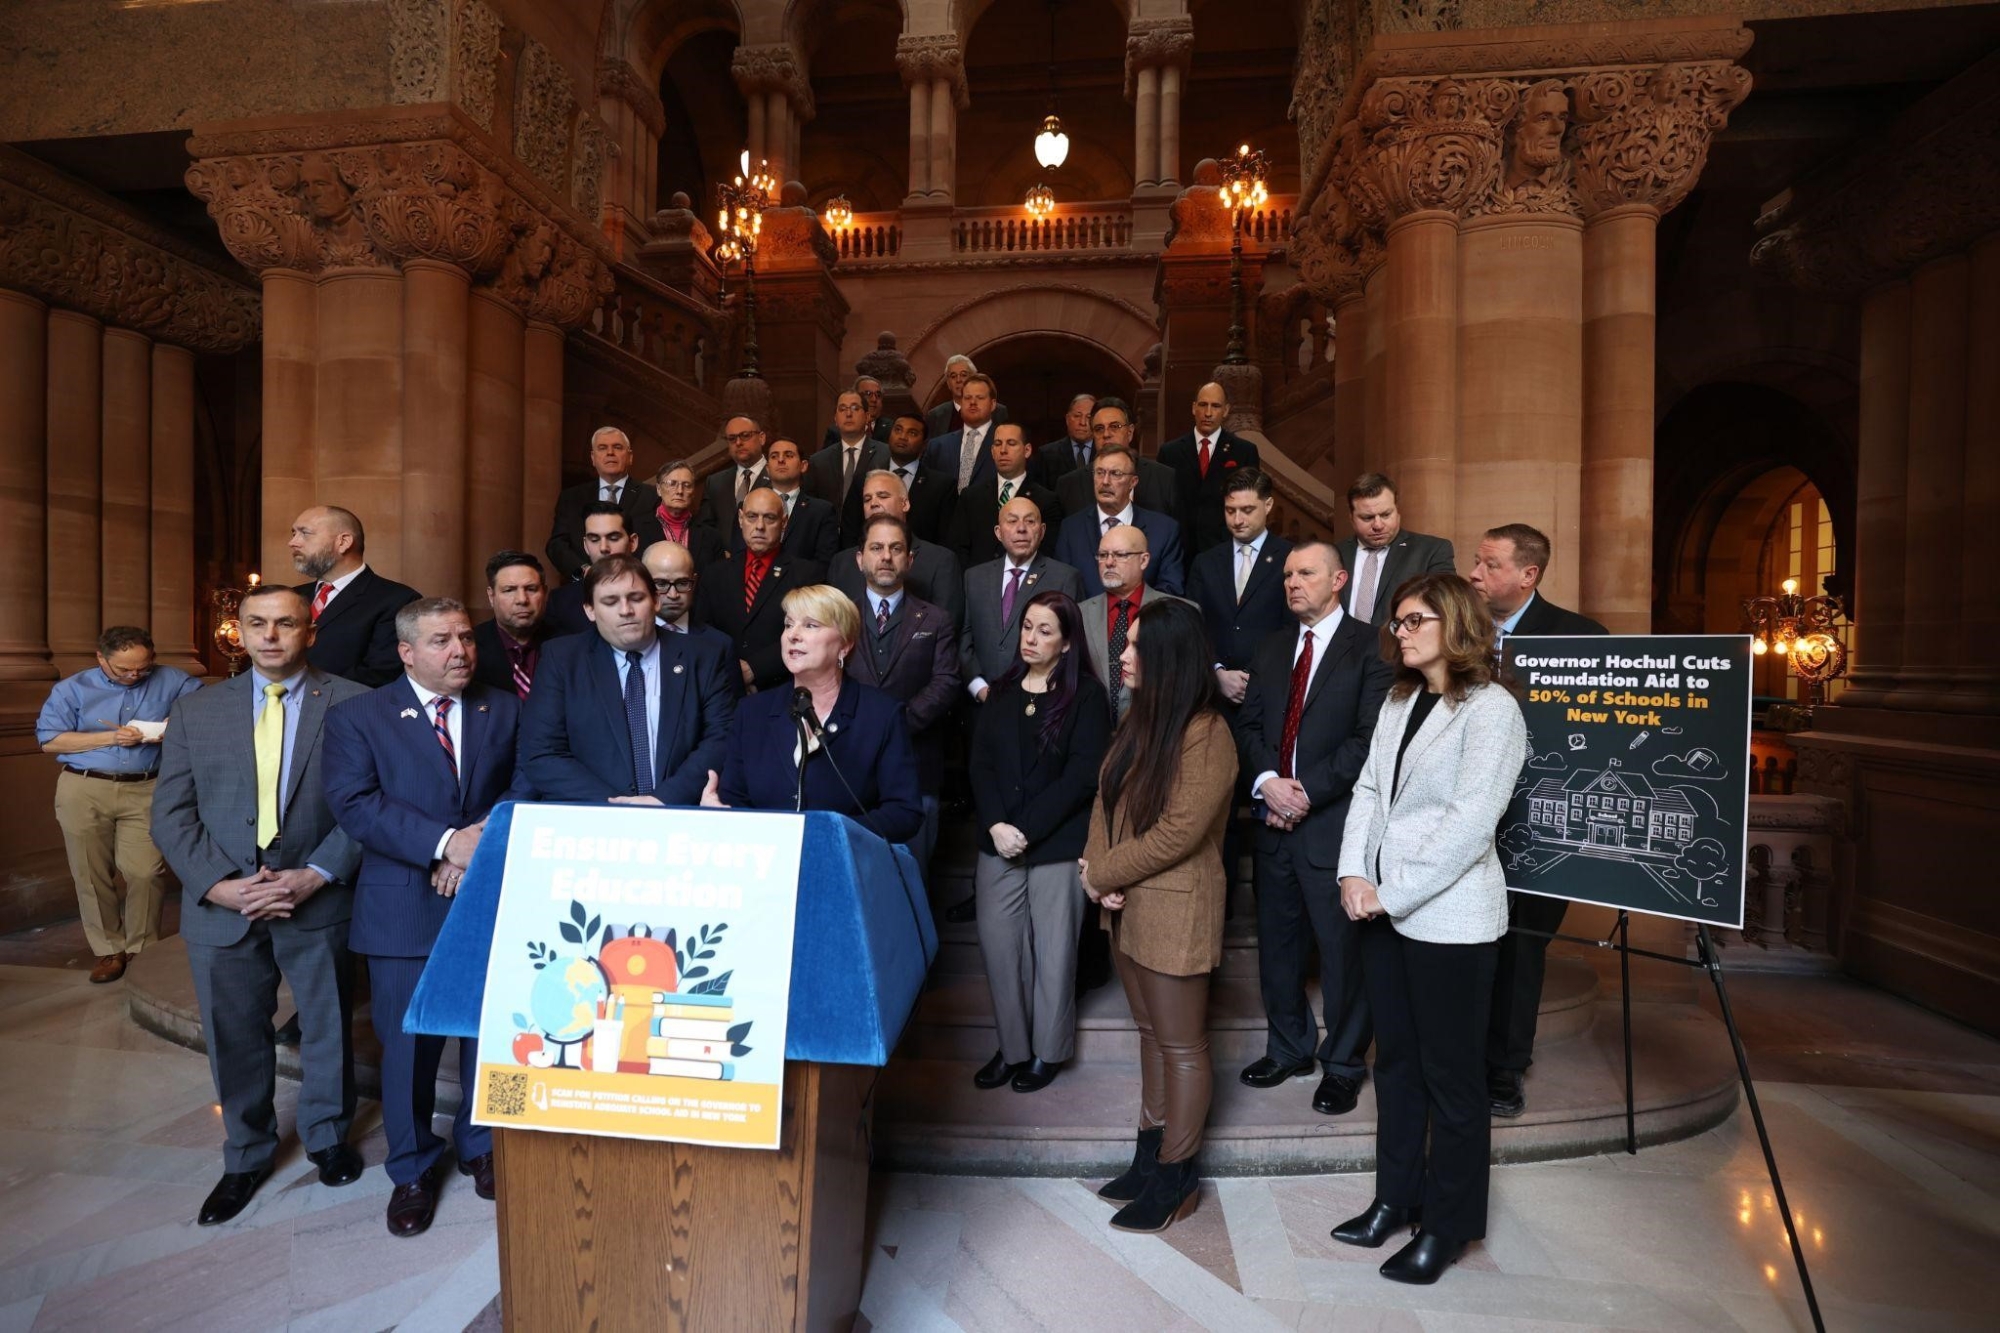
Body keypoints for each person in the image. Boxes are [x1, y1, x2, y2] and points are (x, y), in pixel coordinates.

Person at [150, 584, 369, 1226]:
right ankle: (246, 1155)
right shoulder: (196, 710)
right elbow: (171, 813)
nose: (270, 636)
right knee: (234, 1035)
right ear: (239, 633)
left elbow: (370, 803)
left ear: (310, 632)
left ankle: (327, 1138)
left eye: (286, 624)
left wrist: (317, 873)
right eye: (257, 624)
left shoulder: (357, 703)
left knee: (327, 1026)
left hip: (317, 896)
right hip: (223, 905)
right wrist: (219, 885)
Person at [1332, 573, 1529, 1285]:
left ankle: (1446, 1225)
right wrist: (1352, 874)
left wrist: (1389, 894)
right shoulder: (1399, 698)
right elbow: (1369, 790)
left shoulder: (1493, 710)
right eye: (1398, 621)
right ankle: (1395, 1199)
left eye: (1416, 619)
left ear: (1457, 624)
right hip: (1382, 908)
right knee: (1396, 1064)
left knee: (1452, 1078)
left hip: (1449, 918)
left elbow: (1471, 824)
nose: (1402, 631)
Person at [322, 598, 520, 1236]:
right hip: (402, 903)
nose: (461, 650)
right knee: (409, 1047)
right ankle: (411, 1167)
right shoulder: (358, 716)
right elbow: (355, 802)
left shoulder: (504, 707)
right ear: (407, 652)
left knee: (490, 1032)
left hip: (487, 897)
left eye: (466, 637)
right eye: (441, 641)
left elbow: (527, 783)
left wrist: (475, 842)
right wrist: (443, 844)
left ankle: (483, 1145)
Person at [1080, 598, 1237, 1233]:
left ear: (1169, 658)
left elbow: (1179, 832)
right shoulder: (1138, 719)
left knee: (1182, 1046)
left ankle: (1177, 1177)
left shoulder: (1208, 732)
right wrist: (1097, 873)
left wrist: (1105, 873)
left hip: (1175, 907)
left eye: (1135, 646)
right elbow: (1104, 802)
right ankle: (1148, 1158)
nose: (1122, 654)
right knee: (1150, 1035)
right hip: (1128, 906)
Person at [1236, 541, 1394, 1113]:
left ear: (1338, 580)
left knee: (1342, 953)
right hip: (1272, 823)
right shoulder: (1271, 646)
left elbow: (1369, 739)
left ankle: (1344, 1063)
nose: (1292, 583)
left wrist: (1304, 791)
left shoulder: (1371, 646)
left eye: (1306, 573)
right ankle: (1288, 1048)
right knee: (1277, 949)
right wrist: (1267, 782)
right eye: (1287, 575)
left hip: (1333, 827)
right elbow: (1250, 726)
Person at [1466, 522, 1608, 1118]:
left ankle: (1504, 1068)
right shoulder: (1461, 630)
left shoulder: (1582, 638)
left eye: (1489, 564)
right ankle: (1458, 1054)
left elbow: (1598, 738)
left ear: (1528, 575)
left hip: (1541, 823)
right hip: (1467, 816)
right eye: (1476, 562)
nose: (1475, 574)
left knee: (1522, 948)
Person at [970, 591, 1110, 1094]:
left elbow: (1081, 777)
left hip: (1056, 844)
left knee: (1054, 954)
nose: (1031, 638)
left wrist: (1023, 829)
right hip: (998, 842)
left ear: (1067, 642)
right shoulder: (1003, 690)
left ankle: (1046, 1052)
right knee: (1001, 951)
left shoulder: (1087, 697)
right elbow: (981, 765)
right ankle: (1012, 1049)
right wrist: (995, 825)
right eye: (1027, 627)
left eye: (1045, 630)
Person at [36, 625, 204, 982]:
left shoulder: (174, 681)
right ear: (101, 658)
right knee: (91, 873)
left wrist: (175, 725)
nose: (134, 675)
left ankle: (142, 950)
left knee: (146, 872)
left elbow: (206, 713)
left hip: (148, 787)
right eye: (124, 669)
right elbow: (50, 741)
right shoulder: (72, 689)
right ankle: (109, 950)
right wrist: (112, 737)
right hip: (84, 788)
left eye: (143, 668)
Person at [702, 585, 924, 844]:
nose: (793, 635)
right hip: (767, 859)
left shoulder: (881, 714)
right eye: (788, 625)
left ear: (844, 645)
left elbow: (904, 813)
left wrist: (824, 833)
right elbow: (735, 798)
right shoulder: (752, 712)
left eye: (810, 625)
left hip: (841, 861)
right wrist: (722, 815)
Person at [519, 554, 736, 805]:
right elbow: (541, 753)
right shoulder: (562, 659)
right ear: (590, 610)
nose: (626, 611)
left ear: (655, 601)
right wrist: (617, 806)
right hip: (594, 817)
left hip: (679, 812)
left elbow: (721, 738)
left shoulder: (703, 656)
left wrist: (663, 799)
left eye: (636, 598)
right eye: (610, 602)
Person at [842, 515, 962, 873]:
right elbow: (825, 679)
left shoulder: (936, 619)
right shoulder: (838, 617)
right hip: (848, 767)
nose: (886, 557)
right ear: (860, 558)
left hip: (915, 771)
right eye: (876, 548)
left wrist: (894, 726)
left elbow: (946, 682)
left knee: (912, 881)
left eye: (896, 549)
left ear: (909, 560)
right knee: (854, 879)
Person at [693, 487, 827, 693]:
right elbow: (703, 630)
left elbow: (810, 635)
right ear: (740, 519)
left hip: (782, 689)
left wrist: (755, 669)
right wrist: (733, 671)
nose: (759, 526)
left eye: (769, 518)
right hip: (723, 688)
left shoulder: (807, 575)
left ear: (784, 522)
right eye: (752, 517)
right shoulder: (714, 574)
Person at [960, 496, 1086, 707]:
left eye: (1030, 521)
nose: (1021, 529)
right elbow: (964, 639)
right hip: (981, 704)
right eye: (1012, 521)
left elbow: (1073, 645)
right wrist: (979, 688)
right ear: (998, 532)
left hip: (1040, 702)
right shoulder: (974, 577)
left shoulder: (1065, 578)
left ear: (1042, 531)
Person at [1187, 468, 1293, 711]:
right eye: (1230, 510)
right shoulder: (1205, 562)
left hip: (1269, 694)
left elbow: (1293, 627)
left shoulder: (1290, 558)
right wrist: (1216, 672)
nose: (1237, 520)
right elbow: (1193, 625)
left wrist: (1252, 676)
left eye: (1247, 510)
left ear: (1268, 505)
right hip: (1212, 697)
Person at [289, 505, 420, 686]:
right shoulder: (292, 595)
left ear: (343, 542)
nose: (293, 542)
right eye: (293, 533)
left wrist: (301, 692)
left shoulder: (398, 600)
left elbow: (380, 674)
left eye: (305, 533)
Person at [826, 469, 967, 630]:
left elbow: (948, 627)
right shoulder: (841, 563)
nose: (873, 503)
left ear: (905, 504)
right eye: (867, 499)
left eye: (883, 496)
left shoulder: (940, 561)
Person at [1079, 522, 1191, 722]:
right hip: (1092, 731)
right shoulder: (1079, 613)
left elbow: (1187, 681)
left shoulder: (1179, 612)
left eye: (1120, 555)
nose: (1109, 562)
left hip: (1155, 729)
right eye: (1103, 555)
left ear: (1144, 560)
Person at [1054, 444, 1187, 599]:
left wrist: (1133, 611)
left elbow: (1171, 589)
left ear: (1133, 482)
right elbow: (1062, 588)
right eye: (1100, 473)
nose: (1105, 481)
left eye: (1115, 474)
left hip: (1145, 614)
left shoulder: (1164, 529)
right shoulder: (1071, 528)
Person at [1335, 473, 1456, 626]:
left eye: (1386, 515)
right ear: (1351, 518)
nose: (1378, 525)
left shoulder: (1432, 551)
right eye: (1367, 518)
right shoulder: (1335, 554)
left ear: (1398, 512)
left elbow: (1446, 608)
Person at [1158, 381, 1261, 554]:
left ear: (1226, 410)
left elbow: (1251, 505)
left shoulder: (1244, 451)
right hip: (1179, 551)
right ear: (1193, 408)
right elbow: (1163, 505)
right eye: (1203, 405)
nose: (1208, 413)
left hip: (1225, 550)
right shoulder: (1170, 452)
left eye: (1215, 406)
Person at [547, 427, 660, 582]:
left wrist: (632, 572)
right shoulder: (571, 497)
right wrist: (584, 570)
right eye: (602, 448)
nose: (610, 452)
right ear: (593, 458)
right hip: (585, 586)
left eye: (617, 447)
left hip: (635, 582)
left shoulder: (652, 496)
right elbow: (557, 545)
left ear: (630, 457)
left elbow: (657, 542)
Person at [944, 422, 1062, 571]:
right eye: (998, 444)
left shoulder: (1046, 500)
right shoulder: (971, 496)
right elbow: (957, 548)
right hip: (978, 580)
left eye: (1011, 443)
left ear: (1027, 450)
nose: (1003, 450)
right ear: (992, 451)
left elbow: (1047, 552)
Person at [1053, 399, 1178, 525]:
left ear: (1130, 432)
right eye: (1099, 428)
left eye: (1115, 426)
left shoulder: (1164, 478)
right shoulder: (1069, 485)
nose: (1106, 434)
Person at [731, 438, 839, 565]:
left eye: (788, 455)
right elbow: (738, 557)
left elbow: (824, 563)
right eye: (774, 456)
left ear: (803, 466)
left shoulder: (821, 511)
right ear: (767, 468)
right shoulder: (747, 506)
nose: (781, 460)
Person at [545, 502, 640, 636]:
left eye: (613, 538)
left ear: (633, 542)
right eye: (594, 539)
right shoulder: (561, 602)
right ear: (585, 545)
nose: (603, 548)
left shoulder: (658, 591)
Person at [809, 389, 889, 548]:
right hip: (827, 543)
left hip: (873, 539)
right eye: (842, 409)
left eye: (855, 408)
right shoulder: (818, 461)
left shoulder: (886, 454)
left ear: (867, 416)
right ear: (835, 419)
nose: (848, 414)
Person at [641, 539, 736, 672]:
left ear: (694, 582)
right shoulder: (630, 639)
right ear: (643, 583)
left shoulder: (719, 645)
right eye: (661, 584)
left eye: (682, 583)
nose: (673, 595)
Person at [473, 551, 551, 699]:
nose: (522, 599)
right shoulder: (470, 647)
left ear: (545, 593)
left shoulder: (568, 644)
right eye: (509, 590)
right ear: (491, 596)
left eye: (531, 589)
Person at [881, 404, 957, 544]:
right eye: (898, 430)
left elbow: (946, 538)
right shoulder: (866, 479)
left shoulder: (942, 487)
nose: (903, 437)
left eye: (912, 433)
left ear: (924, 444)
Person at [925, 371, 1005, 492]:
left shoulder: (1006, 444)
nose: (972, 402)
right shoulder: (937, 446)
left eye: (980, 398)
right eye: (967, 398)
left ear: (993, 404)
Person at [649, 459, 724, 570]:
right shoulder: (638, 529)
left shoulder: (711, 536)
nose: (680, 491)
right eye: (672, 484)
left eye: (687, 485)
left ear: (693, 493)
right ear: (659, 489)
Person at [697, 416, 769, 530]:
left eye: (745, 435)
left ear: (761, 438)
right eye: (732, 438)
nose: (738, 442)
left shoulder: (781, 477)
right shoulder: (715, 482)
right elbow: (705, 528)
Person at [922, 354, 1010, 441]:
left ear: (974, 379)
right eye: (953, 376)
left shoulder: (998, 411)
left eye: (963, 375)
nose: (958, 380)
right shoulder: (935, 416)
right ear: (948, 383)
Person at [1032, 392, 1096, 489]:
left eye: (1089, 417)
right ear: (1067, 419)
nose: (1082, 423)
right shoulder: (1047, 454)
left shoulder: (1105, 452)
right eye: (1077, 416)